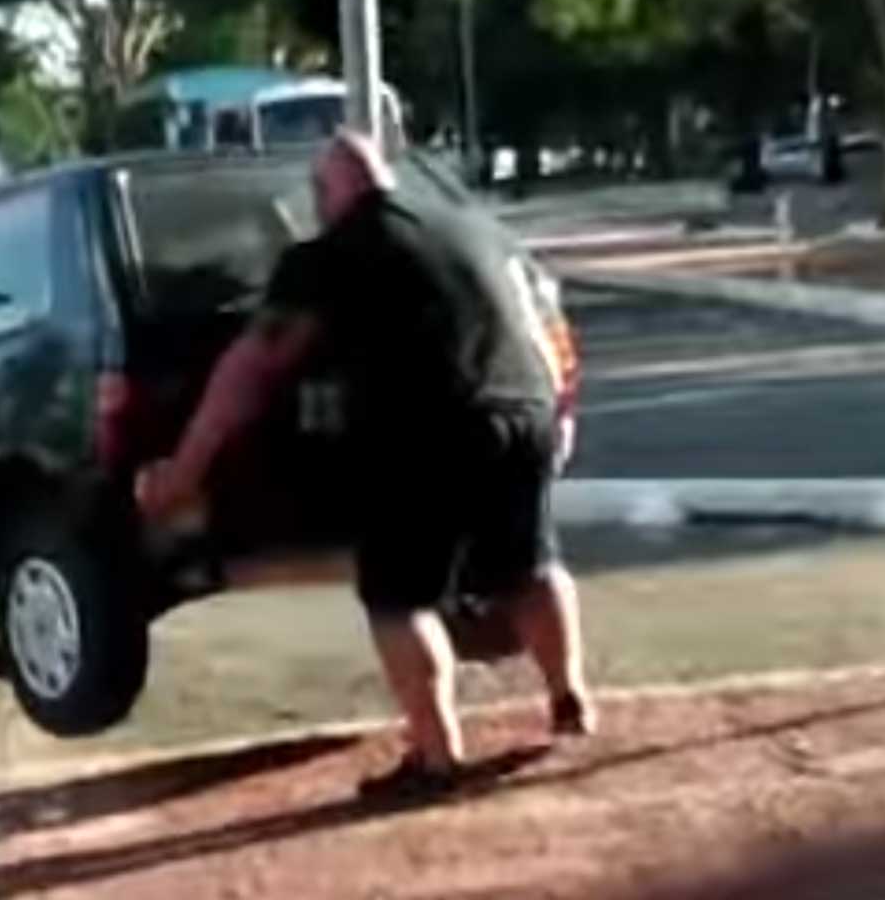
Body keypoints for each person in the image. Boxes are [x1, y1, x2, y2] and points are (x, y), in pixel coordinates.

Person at [135, 131, 593, 800]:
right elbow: (542, 322)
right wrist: (562, 410)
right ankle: (569, 698)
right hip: (526, 413)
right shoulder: (473, 226)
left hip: (432, 433)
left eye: (317, 194)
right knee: (531, 566)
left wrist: (185, 468)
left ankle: (436, 759)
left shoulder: (331, 255)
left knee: (398, 598)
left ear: (334, 190)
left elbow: (251, 367)